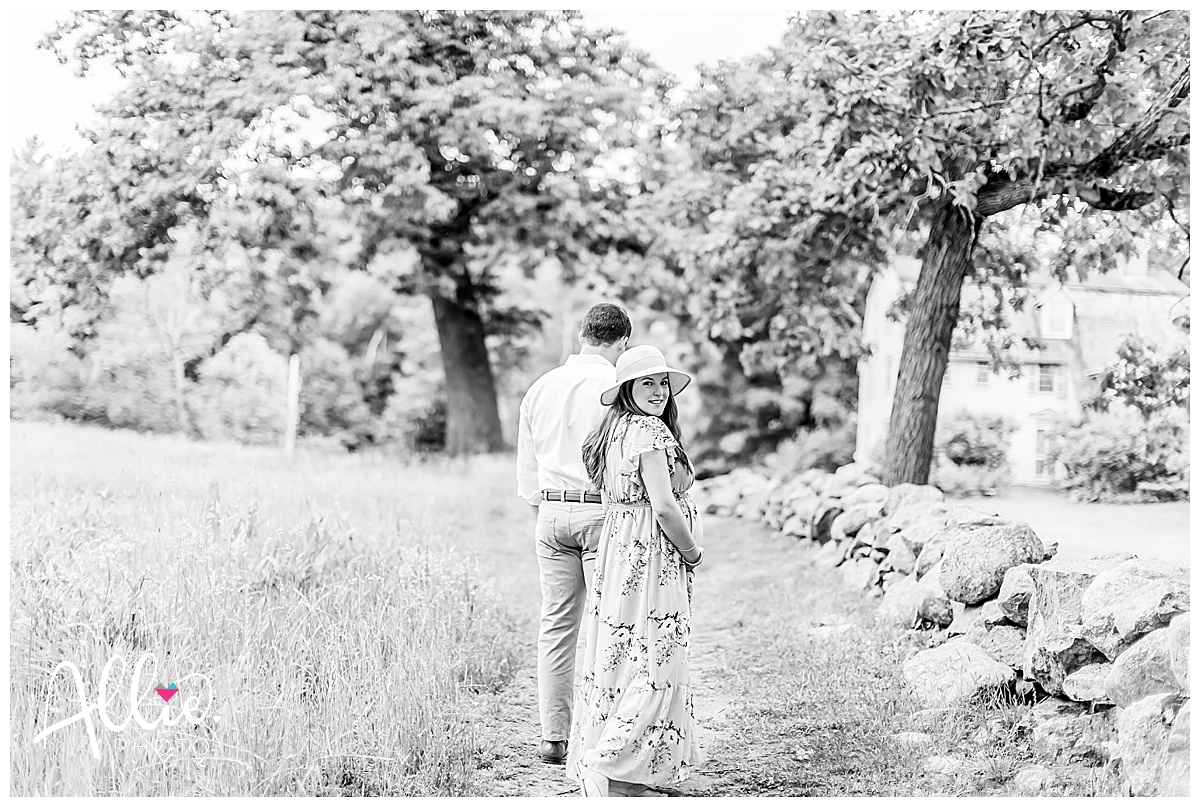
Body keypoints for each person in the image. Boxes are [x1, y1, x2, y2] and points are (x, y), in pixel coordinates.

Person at [567, 345, 705, 797]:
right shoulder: (649, 432)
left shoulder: (616, 430)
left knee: (621, 651)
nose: (659, 391)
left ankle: (619, 764)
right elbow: (664, 506)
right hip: (651, 555)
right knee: (655, 651)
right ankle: (617, 767)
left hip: (622, 550)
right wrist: (691, 551)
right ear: (627, 388)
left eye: (663, 382)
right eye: (647, 382)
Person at [517, 303, 632, 765]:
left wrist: (543, 510)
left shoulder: (540, 387)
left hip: (550, 512)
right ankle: (601, 734)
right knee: (610, 623)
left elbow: (526, 471)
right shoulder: (616, 388)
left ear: (582, 334)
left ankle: (553, 736)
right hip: (601, 512)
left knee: (557, 626)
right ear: (622, 342)